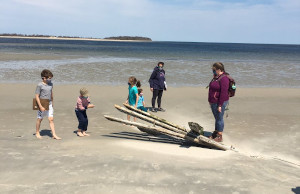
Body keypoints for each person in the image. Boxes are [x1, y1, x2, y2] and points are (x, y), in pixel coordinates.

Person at [35, 69, 61, 140]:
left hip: (49, 103)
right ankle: (37, 132)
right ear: (44, 78)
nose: (50, 80)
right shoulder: (40, 85)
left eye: (51, 78)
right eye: (49, 78)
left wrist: (52, 102)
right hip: (42, 103)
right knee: (40, 119)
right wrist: (40, 106)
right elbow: (37, 96)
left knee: (51, 119)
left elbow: (51, 93)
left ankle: (54, 134)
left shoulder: (51, 84)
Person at [208, 62, 230, 142]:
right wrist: (210, 100)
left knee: (219, 118)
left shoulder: (224, 78)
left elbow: (224, 93)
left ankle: (219, 136)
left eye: (214, 70)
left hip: (220, 102)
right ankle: (216, 132)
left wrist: (220, 105)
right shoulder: (216, 77)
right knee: (217, 118)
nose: (212, 71)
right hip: (213, 101)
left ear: (219, 69)